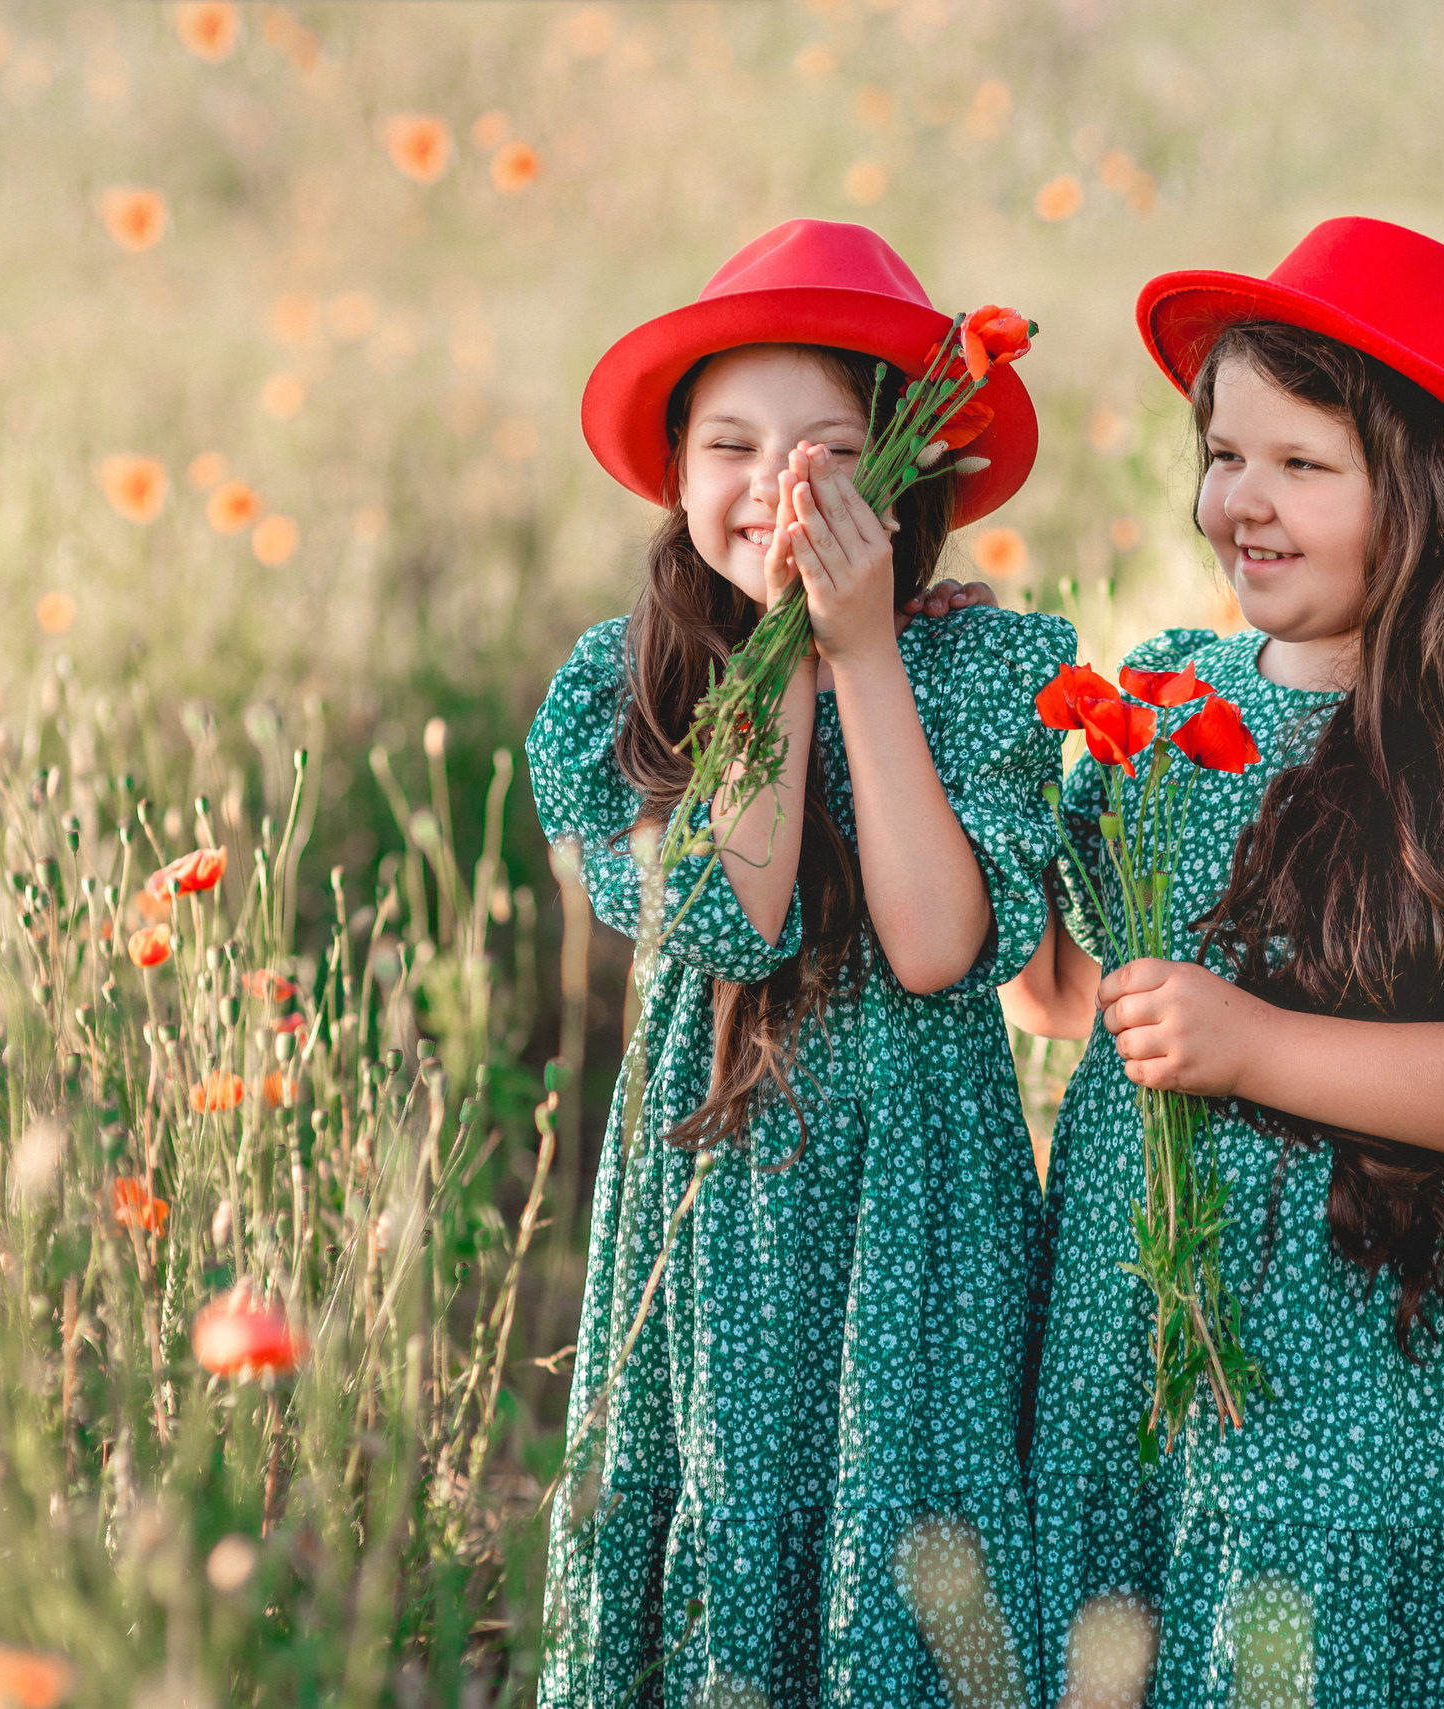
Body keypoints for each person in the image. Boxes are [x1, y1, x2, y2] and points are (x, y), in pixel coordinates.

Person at [1004, 217, 1444, 1707]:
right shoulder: (1161, 702)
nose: (1243, 500)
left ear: (1423, 498)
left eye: (1303, 465)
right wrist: (970, 772)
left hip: (1387, 1396)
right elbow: (1058, 998)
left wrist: (1253, 1046)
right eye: (1225, 454)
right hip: (1149, 1358)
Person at [529, 219, 1074, 1706]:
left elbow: (937, 941)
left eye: (837, 450)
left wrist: (863, 654)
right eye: (734, 444)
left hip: (917, 1219)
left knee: (911, 1547)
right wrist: (779, 650)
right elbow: (729, 916)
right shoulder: (629, 679)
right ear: (673, 473)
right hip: (718, 1215)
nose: (783, 487)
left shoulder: (981, 670)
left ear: (913, 486)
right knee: (729, 1508)